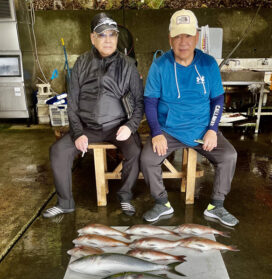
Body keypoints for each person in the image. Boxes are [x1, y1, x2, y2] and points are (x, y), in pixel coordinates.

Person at [141, 9, 238, 226]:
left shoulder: (208, 64)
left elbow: (217, 100)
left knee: (229, 156)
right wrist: (156, 132)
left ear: (197, 37)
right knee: (147, 159)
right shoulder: (160, 65)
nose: (182, 42)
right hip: (169, 130)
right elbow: (150, 102)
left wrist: (213, 128)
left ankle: (217, 205)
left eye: (187, 36)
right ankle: (161, 203)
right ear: (170, 38)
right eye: (177, 36)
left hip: (202, 129)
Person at [42, 13, 143, 218]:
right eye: (102, 35)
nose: (108, 40)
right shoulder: (81, 63)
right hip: (87, 127)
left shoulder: (129, 65)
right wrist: (78, 132)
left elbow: (140, 102)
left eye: (112, 35)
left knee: (135, 152)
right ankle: (65, 202)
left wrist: (130, 126)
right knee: (58, 151)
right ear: (92, 38)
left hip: (117, 126)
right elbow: (72, 103)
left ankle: (125, 197)